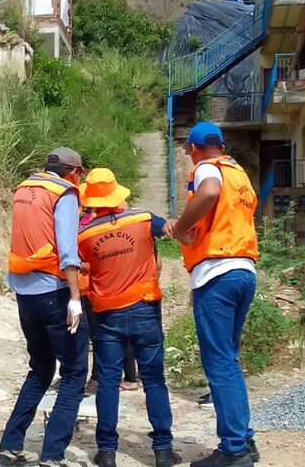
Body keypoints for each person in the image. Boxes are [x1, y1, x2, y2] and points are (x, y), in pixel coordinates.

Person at [167, 122, 260, 467]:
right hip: (243, 270)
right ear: (221, 145)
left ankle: (234, 449)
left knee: (219, 363)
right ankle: (244, 440)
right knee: (229, 361)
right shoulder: (239, 173)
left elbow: (206, 194)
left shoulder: (207, 168)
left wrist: (178, 228)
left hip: (217, 271)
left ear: (192, 149)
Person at [76, 168, 182, 467]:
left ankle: (106, 452)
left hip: (107, 314)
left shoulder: (84, 235)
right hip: (145, 309)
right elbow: (173, 230)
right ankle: (163, 450)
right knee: (154, 381)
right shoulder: (143, 219)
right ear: (116, 194)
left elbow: (80, 264)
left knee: (108, 382)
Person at [0, 148, 89, 467]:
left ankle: (9, 448)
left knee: (40, 369)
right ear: (74, 173)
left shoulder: (24, 189)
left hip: (25, 295)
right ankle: (52, 456)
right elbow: (66, 249)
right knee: (75, 372)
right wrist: (75, 299)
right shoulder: (64, 192)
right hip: (55, 293)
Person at [79, 208, 140, 395]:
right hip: (97, 288)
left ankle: (103, 378)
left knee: (102, 336)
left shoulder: (92, 226)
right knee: (116, 333)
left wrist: (72, 263)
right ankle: (125, 377)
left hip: (96, 288)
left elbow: (94, 262)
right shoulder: (128, 223)